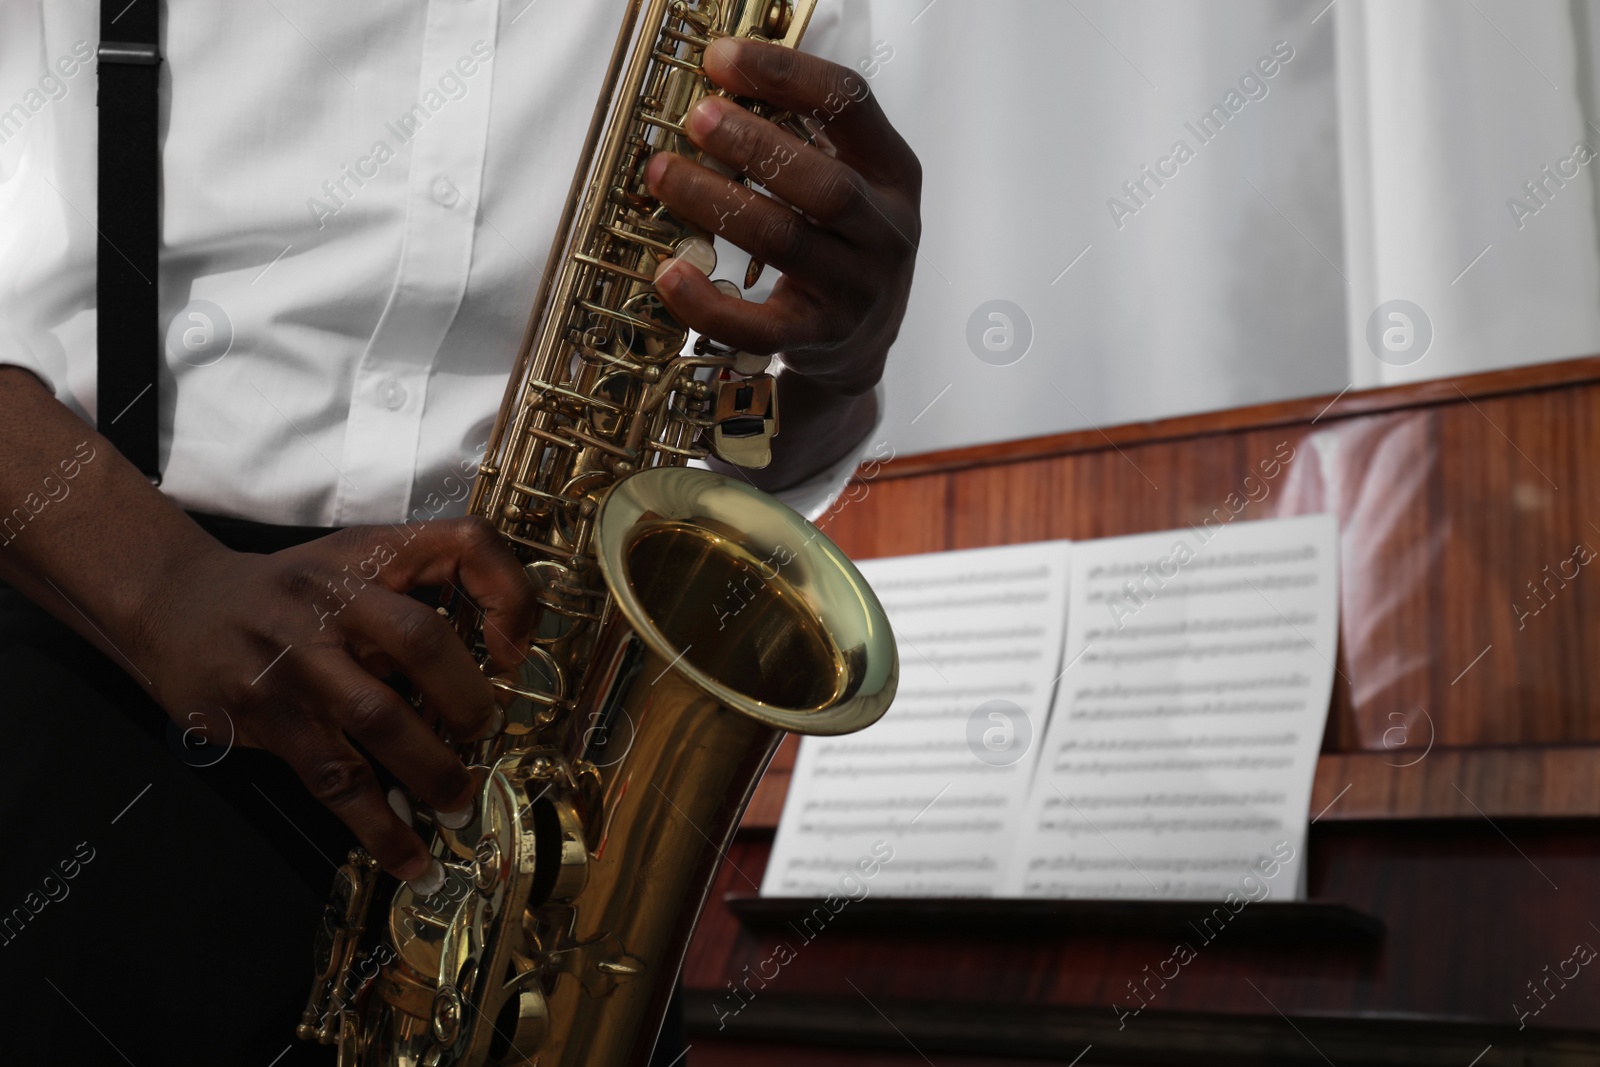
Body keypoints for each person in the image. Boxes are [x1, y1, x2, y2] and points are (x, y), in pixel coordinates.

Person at [0, 2, 920, 1063]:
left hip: (541, 728)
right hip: (103, 659)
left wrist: (836, 365)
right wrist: (158, 582)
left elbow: (735, 423)